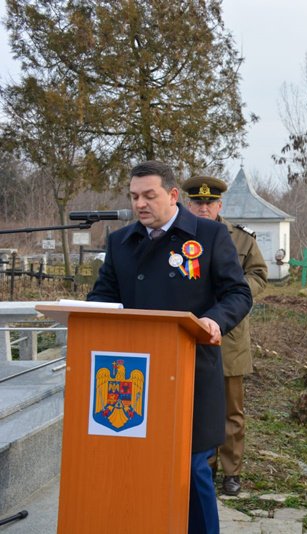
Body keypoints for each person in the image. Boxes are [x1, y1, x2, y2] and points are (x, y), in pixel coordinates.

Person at [87, 161, 252, 533]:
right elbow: (103, 296)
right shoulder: (121, 242)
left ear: (173, 195)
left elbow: (238, 293)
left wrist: (214, 320)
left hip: (191, 372)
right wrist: (87, 315)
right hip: (132, 376)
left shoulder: (209, 236)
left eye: (149, 195)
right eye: (134, 197)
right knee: (140, 466)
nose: (140, 204)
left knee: (192, 470)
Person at [182, 175, 269, 497]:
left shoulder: (241, 240)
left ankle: (232, 471)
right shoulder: (177, 237)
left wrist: (233, 295)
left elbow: (259, 274)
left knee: (231, 410)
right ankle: (202, 464)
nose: (203, 208)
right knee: (191, 404)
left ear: (220, 205)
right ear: (188, 204)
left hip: (228, 336)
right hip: (187, 334)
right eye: (197, 202)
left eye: (209, 203)